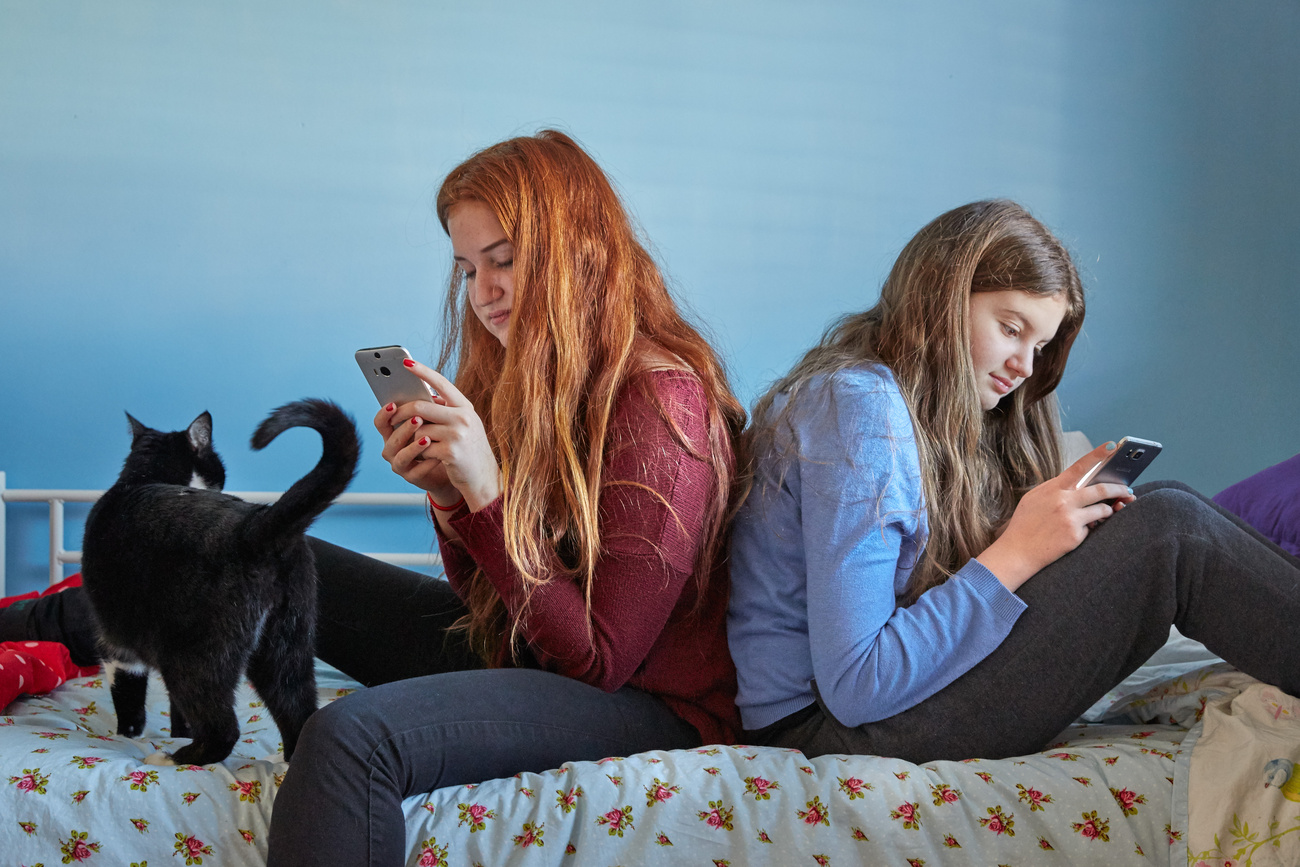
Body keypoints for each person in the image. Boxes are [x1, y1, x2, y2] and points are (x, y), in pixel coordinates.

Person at [1, 130, 747, 866]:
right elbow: (493, 602)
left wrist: (482, 496)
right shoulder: (540, 376)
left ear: (577, 253)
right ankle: (28, 622)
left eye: (505, 263)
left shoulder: (661, 402)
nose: (483, 294)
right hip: (528, 650)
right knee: (263, 547)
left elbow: (600, 660)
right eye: (466, 269)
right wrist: (451, 501)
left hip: (648, 703)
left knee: (352, 736)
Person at [726, 199, 1300, 763]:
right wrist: (1019, 552)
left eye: (1041, 345)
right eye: (1010, 328)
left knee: (1167, 506)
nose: (1025, 366)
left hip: (877, 710)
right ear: (940, 300)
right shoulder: (858, 410)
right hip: (823, 731)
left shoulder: (908, 409)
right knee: (1174, 534)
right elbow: (857, 684)